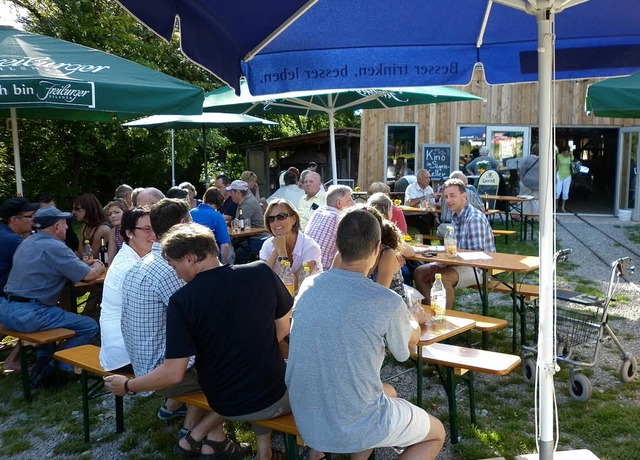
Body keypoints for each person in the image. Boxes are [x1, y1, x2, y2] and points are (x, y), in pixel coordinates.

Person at [105, 223, 293, 460]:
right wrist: (256, 345)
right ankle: (309, 451)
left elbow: (173, 373)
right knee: (297, 373)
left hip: (224, 403)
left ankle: (253, 449)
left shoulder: (182, 301)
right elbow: (284, 327)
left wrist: (126, 386)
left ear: (190, 259)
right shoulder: (260, 272)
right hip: (271, 397)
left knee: (259, 374)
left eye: (174, 266)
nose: (175, 273)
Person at [286, 208, 445, 459]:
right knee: (437, 432)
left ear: (338, 244)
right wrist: (412, 319)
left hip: (306, 413)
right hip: (351, 417)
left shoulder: (308, 286)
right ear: (377, 247)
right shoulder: (386, 301)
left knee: (387, 392)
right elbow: (407, 347)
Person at [120, 198, 215, 450]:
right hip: (163, 372)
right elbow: (204, 321)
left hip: (142, 362)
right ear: (183, 224)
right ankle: (198, 432)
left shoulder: (142, 264)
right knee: (227, 361)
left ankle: (185, 417)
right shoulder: (172, 269)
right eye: (191, 220)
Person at [0, 206, 104, 385]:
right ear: (56, 227)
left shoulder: (28, 242)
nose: (67, 228)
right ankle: (60, 367)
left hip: (6, 309)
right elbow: (88, 276)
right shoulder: (54, 246)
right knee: (88, 325)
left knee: (51, 316)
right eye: (65, 225)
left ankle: (42, 362)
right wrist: (97, 266)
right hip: (30, 314)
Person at [413, 178, 495, 308]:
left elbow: (477, 256)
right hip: (460, 263)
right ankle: (429, 314)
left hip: (480, 269)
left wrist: (443, 266)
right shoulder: (456, 215)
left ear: (464, 196)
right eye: (446, 197)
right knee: (419, 272)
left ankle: (445, 321)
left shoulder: (474, 218)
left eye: (452, 196)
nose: (448, 200)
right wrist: (441, 264)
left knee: (443, 277)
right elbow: (454, 250)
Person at [99, 207, 156, 374]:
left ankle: (173, 400)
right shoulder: (128, 267)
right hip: (125, 355)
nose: (153, 234)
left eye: (155, 228)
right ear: (129, 232)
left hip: (126, 347)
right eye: (146, 229)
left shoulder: (137, 258)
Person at [0, 197, 39, 373]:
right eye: (30, 216)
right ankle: (12, 361)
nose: (34, 220)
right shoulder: (13, 241)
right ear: (14, 220)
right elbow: (45, 263)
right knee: (43, 308)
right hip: (6, 300)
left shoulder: (4, 233)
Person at [365, 195, 415, 301]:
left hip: (388, 303)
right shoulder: (387, 243)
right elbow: (410, 252)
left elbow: (380, 295)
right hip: (388, 302)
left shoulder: (386, 252)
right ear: (388, 211)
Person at [260, 199, 322, 277]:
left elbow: (293, 285)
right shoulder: (268, 244)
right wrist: (276, 250)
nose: (275, 222)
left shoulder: (310, 247)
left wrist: (282, 251)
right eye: (271, 219)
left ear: (293, 219)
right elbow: (263, 278)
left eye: (281, 216)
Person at [305, 185, 354, 270]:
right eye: (350, 200)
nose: (353, 203)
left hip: (304, 267)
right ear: (339, 203)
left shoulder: (319, 211)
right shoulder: (339, 218)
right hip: (323, 270)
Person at [228, 180, 268, 264]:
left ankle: (240, 275)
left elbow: (239, 224)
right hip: (249, 238)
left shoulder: (248, 204)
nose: (230, 194)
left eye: (231, 192)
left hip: (256, 239)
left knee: (237, 254)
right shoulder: (244, 202)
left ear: (238, 193)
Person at [190, 187, 233, 264]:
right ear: (220, 202)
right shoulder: (217, 217)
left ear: (204, 197)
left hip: (191, 258)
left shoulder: (191, 213)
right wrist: (223, 264)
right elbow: (225, 245)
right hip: (210, 260)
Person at [436, 170, 484, 237]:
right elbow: (482, 208)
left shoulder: (445, 193)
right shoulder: (469, 193)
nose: (448, 200)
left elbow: (438, 205)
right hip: (454, 226)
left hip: (445, 226)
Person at [72, 193, 111, 259]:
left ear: (88, 208)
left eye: (77, 209)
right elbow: (80, 253)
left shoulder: (103, 229)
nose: (73, 212)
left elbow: (93, 256)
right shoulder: (85, 226)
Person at [404, 169, 436, 233]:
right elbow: (411, 203)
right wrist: (426, 197)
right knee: (424, 223)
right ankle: (426, 242)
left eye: (429, 178)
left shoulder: (429, 189)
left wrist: (436, 217)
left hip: (425, 214)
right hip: (412, 215)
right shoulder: (411, 188)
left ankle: (446, 241)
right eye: (426, 178)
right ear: (419, 179)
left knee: (441, 222)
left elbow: (432, 205)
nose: (429, 180)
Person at [519, 143, 540, 213]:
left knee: (525, 200)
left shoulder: (528, 158)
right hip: (538, 183)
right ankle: (535, 216)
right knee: (536, 200)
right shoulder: (544, 159)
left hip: (526, 182)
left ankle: (525, 216)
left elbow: (522, 170)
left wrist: (521, 179)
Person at [556, 145, 572, 213]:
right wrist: (554, 174)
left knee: (565, 191)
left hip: (568, 175)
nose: (567, 154)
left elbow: (573, 165)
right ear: (563, 152)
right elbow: (557, 166)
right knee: (557, 190)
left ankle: (563, 206)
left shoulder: (571, 156)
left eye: (568, 153)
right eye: (566, 153)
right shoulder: (559, 156)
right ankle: (556, 205)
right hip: (559, 174)